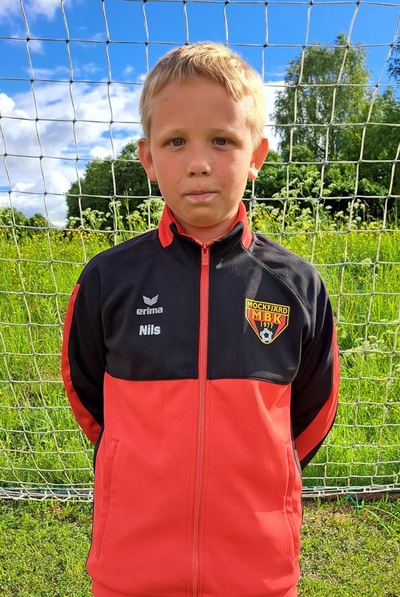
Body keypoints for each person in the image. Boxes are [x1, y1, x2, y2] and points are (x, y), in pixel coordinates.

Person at [62, 42, 340, 597]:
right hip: (131, 568)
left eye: (222, 140)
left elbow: (314, 409)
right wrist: (126, 462)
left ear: (256, 155)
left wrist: (270, 471)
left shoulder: (296, 285)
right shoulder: (108, 279)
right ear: (147, 159)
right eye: (175, 142)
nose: (198, 162)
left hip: (257, 570)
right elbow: (87, 394)